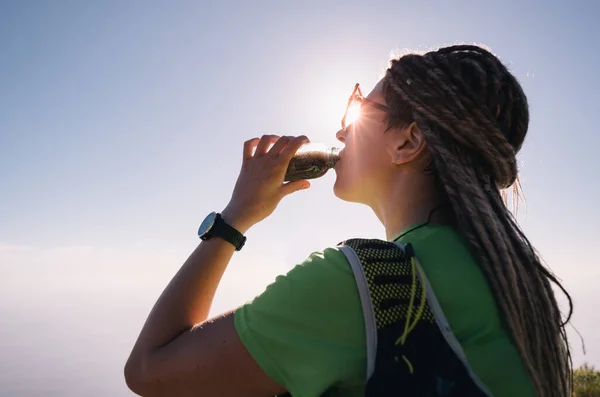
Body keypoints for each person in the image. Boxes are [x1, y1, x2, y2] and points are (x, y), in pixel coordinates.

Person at [124, 45, 572, 397]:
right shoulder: (511, 278)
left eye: (359, 111)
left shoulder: (359, 285)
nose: (340, 132)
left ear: (408, 142)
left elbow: (149, 370)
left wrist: (234, 217)